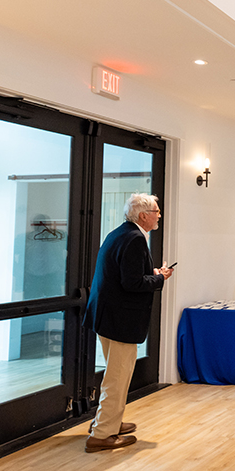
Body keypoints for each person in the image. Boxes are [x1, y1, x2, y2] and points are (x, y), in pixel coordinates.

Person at [80, 193, 173, 453]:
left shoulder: (120, 233)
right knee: (117, 378)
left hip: (106, 316)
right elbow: (132, 283)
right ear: (143, 215)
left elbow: (124, 274)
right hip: (119, 320)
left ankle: (109, 422)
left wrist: (152, 273)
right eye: (156, 211)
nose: (159, 215)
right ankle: (102, 434)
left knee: (115, 375)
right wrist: (160, 278)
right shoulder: (134, 239)